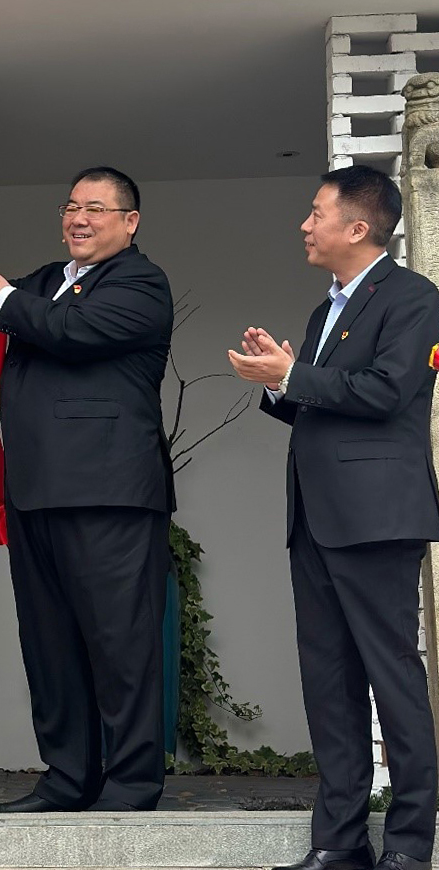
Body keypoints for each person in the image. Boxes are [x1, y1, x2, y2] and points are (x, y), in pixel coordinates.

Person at [0, 167, 174, 812]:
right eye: (71, 206)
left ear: (130, 222)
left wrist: (2, 296)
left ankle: (130, 786)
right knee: (50, 646)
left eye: (96, 208)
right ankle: (67, 779)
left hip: (109, 495)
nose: (79, 218)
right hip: (36, 491)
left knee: (120, 644)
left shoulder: (141, 282)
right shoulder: (49, 280)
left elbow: (70, 331)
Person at [229, 165, 439, 870]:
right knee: (328, 681)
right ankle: (340, 840)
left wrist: (292, 376)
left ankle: (408, 846)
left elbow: (385, 392)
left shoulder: (413, 298)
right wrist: (278, 382)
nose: (304, 225)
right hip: (316, 519)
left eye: (316, 213)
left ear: (357, 226)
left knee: (391, 678)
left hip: (377, 518)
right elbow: (323, 404)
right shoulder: (327, 311)